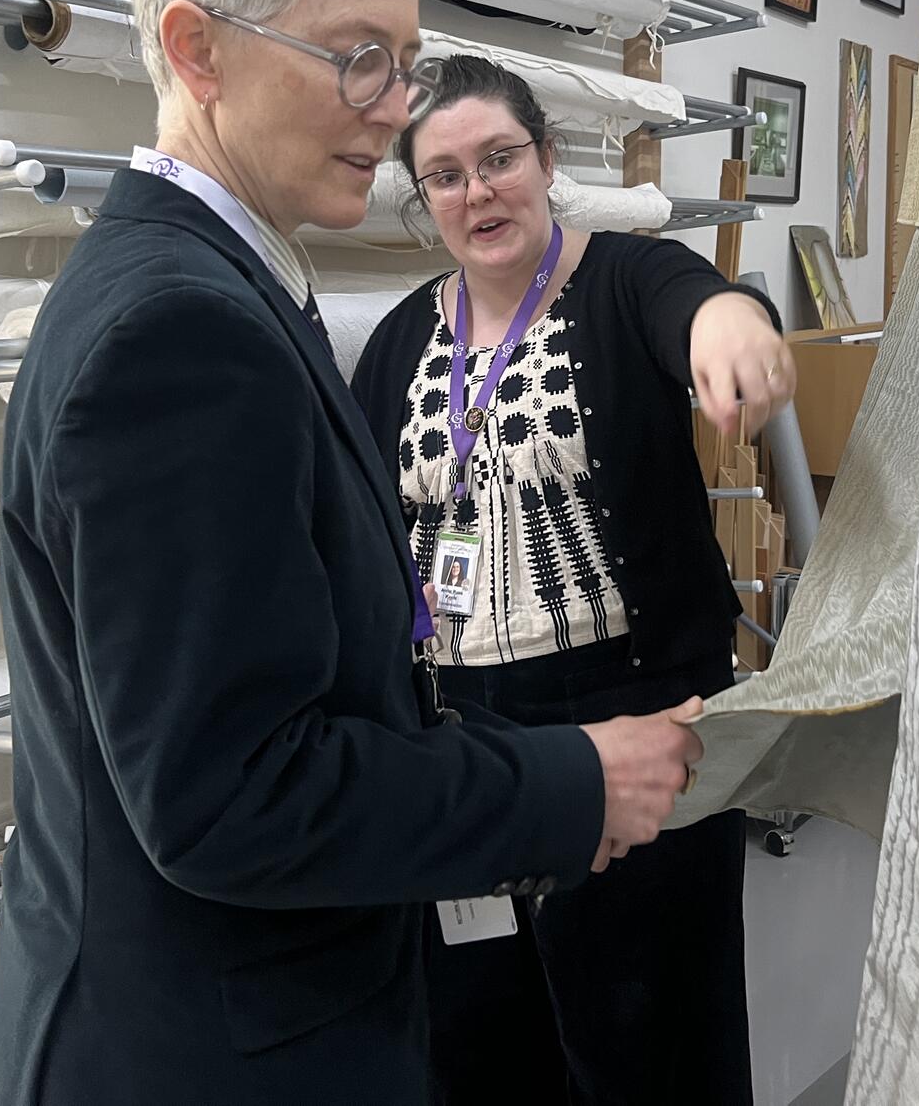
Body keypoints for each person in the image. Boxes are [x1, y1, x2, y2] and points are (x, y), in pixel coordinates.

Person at [0, 0, 704, 1106]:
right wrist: (576, 780)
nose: (392, 106)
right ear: (197, 50)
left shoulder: (223, 290)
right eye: (356, 55)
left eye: (402, 64)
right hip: (209, 1055)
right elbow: (233, 796)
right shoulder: (179, 332)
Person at [351, 56, 798, 1105]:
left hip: (641, 729)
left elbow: (694, 305)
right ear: (426, 203)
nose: (478, 193)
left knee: (650, 1047)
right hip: (466, 743)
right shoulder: (401, 341)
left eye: (498, 159)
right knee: (485, 1051)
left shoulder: (624, 279)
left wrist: (730, 327)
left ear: (547, 161)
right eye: (446, 176)